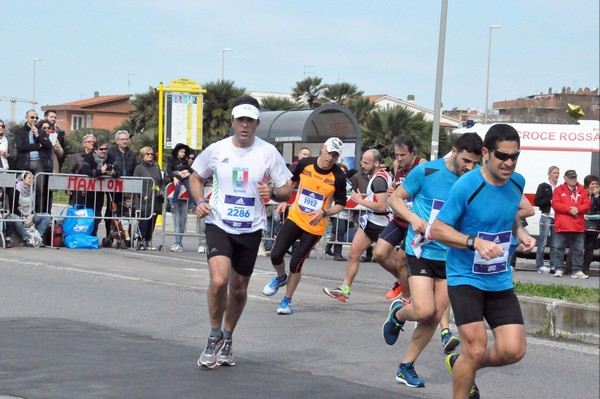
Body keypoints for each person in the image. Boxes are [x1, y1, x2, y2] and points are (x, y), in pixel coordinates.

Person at [428, 124, 536, 399]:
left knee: (513, 350)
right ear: (486, 153)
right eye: (502, 156)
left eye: (515, 156)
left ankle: (462, 363)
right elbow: (438, 229)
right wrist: (474, 242)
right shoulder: (467, 185)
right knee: (475, 347)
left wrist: (520, 231)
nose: (509, 163)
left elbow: (509, 212)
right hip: (465, 276)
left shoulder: (517, 182)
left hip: (498, 277)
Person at [189, 95, 292, 368]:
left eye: (250, 120)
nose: (245, 125)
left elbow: (287, 189)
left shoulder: (267, 152)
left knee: (238, 288)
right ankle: (213, 336)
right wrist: (200, 201)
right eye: (240, 120)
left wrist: (273, 193)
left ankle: (228, 337)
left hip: (250, 228)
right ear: (232, 121)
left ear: (257, 123)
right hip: (219, 224)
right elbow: (196, 176)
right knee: (220, 280)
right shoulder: (217, 149)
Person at [380, 132, 482, 389]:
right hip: (422, 251)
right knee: (424, 310)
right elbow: (395, 199)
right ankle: (398, 314)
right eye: (466, 161)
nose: (469, 168)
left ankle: (405, 367)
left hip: (452, 256)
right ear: (454, 150)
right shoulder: (426, 172)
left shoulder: (474, 180)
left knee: (435, 316)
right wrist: (413, 218)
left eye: (475, 163)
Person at [263, 137, 346, 315]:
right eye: (329, 152)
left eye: (335, 155)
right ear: (322, 149)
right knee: (276, 254)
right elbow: (290, 184)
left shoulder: (338, 176)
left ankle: (287, 301)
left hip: (314, 226)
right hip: (295, 217)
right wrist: (284, 200)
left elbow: (341, 204)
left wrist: (324, 213)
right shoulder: (305, 164)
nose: (330, 158)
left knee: (296, 263)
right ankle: (280, 277)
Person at [322, 149, 391, 302]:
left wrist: (359, 201)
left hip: (383, 225)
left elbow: (381, 206)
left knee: (389, 261)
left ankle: (403, 285)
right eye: (362, 161)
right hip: (370, 222)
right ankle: (344, 289)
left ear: (377, 163)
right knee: (353, 254)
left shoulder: (380, 179)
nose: (362, 165)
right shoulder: (374, 177)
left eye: (366, 163)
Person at [372, 136, 426, 301]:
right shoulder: (396, 166)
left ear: (412, 153)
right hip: (399, 218)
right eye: (397, 155)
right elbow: (397, 189)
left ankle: (406, 298)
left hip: (414, 221)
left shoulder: (422, 165)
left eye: (403, 155)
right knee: (379, 254)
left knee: (401, 259)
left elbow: (426, 191)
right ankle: (401, 281)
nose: (400, 159)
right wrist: (392, 191)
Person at [552, 169, 591, 278]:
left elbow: (587, 204)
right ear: (565, 179)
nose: (573, 180)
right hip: (562, 225)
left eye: (575, 177)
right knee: (559, 249)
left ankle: (577, 271)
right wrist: (570, 209)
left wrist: (577, 209)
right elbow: (555, 204)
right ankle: (558, 269)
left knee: (578, 250)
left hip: (577, 225)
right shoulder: (559, 190)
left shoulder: (582, 190)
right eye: (571, 178)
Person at [14, 109, 53, 213]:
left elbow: (48, 145)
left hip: (39, 164)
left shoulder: (41, 132)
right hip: (25, 164)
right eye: (32, 117)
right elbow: (21, 146)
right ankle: (21, 213)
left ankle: (38, 213)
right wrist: (37, 146)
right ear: (26, 118)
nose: (34, 119)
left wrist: (38, 135)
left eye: (36, 117)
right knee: (22, 190)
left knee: (40, 190)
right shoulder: (20, 132)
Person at [80, 140, 119, 236]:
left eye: (105, 149)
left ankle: (93, 235)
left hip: (101, 190)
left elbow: (119, 171)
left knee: (97, 214)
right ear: (95, 150)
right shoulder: (89, 157)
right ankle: (85, 234)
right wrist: (100, 171)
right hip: (88, 190)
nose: (104, 151)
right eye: (101, 149)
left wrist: (113, 173)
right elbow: (85, 170)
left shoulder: (110, 158)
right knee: (88, 214)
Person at [6, 171, 51, 247]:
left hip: (31, 215)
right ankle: (27, 239)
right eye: (29, 178)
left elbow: (35, 206)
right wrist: (24, 218)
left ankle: (37, 238)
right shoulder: (16, 190)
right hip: (20, 215)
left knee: (46, 216)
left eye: (32, 178)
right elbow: (14, 206)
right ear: (23, 179)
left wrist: (32, 216)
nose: (31, 180)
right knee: (16, 219)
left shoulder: (33, 190)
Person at [133, 147, 163, 251]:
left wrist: (162, 192)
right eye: (147, 154)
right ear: (142, 155)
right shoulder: (139, 168)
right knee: (144, 219)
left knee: (153, 219)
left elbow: (161, 180)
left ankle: (148, 240)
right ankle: (141, 240)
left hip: (156, 197)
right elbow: (135, 183)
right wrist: (142, 194)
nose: (150, 155)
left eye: (151, 154)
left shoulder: (156, 166)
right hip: (145, 199)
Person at [533, 166, 560, 273]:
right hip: (546, 216)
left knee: (555, 243)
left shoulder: (560, 186)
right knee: (542, 242)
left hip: (557, 216)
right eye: (554, 173)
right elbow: (537, 201)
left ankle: (553, 265)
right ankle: (540, 265)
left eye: (558, 173)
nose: (556, 175)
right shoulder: (543, 185)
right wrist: (549, 200)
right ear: (549, 174)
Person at [325, 163, 352, 261]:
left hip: (346, 212)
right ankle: (337, 253)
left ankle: (328, 247)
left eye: (344, 171)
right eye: (341, 171)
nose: (343, 173)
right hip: (335, 210)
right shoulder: (332, 181)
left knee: (338, 231)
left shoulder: (350, 182)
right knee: (339, 230)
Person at [67, 134, 96, 205]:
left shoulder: (98, 156)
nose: (92, 143)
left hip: (93, 188)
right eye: (89, 141)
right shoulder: (76, 156)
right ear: (84, 144)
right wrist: (69, 187)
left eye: (93, 142)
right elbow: (70, 172)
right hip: (78, 188)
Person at [582, 175, 599, 275]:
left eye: (596, 184)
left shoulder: (598, 195)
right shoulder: (583, 193)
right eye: (592, 184)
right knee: (577, 246)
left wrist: (597, 196)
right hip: (582, 223)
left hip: (594, 224)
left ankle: (586, 268)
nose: (595, 186)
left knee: (590, 247)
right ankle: (571, 267)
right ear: (587, 185)